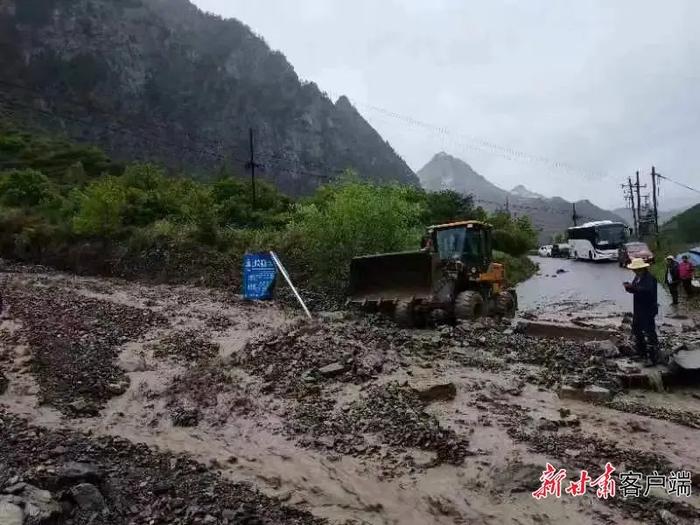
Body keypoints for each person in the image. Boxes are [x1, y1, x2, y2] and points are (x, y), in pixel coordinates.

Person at [623, 258, 659, 365]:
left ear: (642, 269)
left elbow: (646, 291)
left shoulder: (650, 279)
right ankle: (641, 353)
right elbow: (636, 289)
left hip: (648, 309)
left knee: (649, 332)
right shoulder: (638, 278)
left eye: (636, 269)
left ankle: (652, 358)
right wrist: (629, 288)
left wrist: (633, 288)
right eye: (634, 270)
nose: (634, 271)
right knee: (637, 330)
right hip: (638, 309)